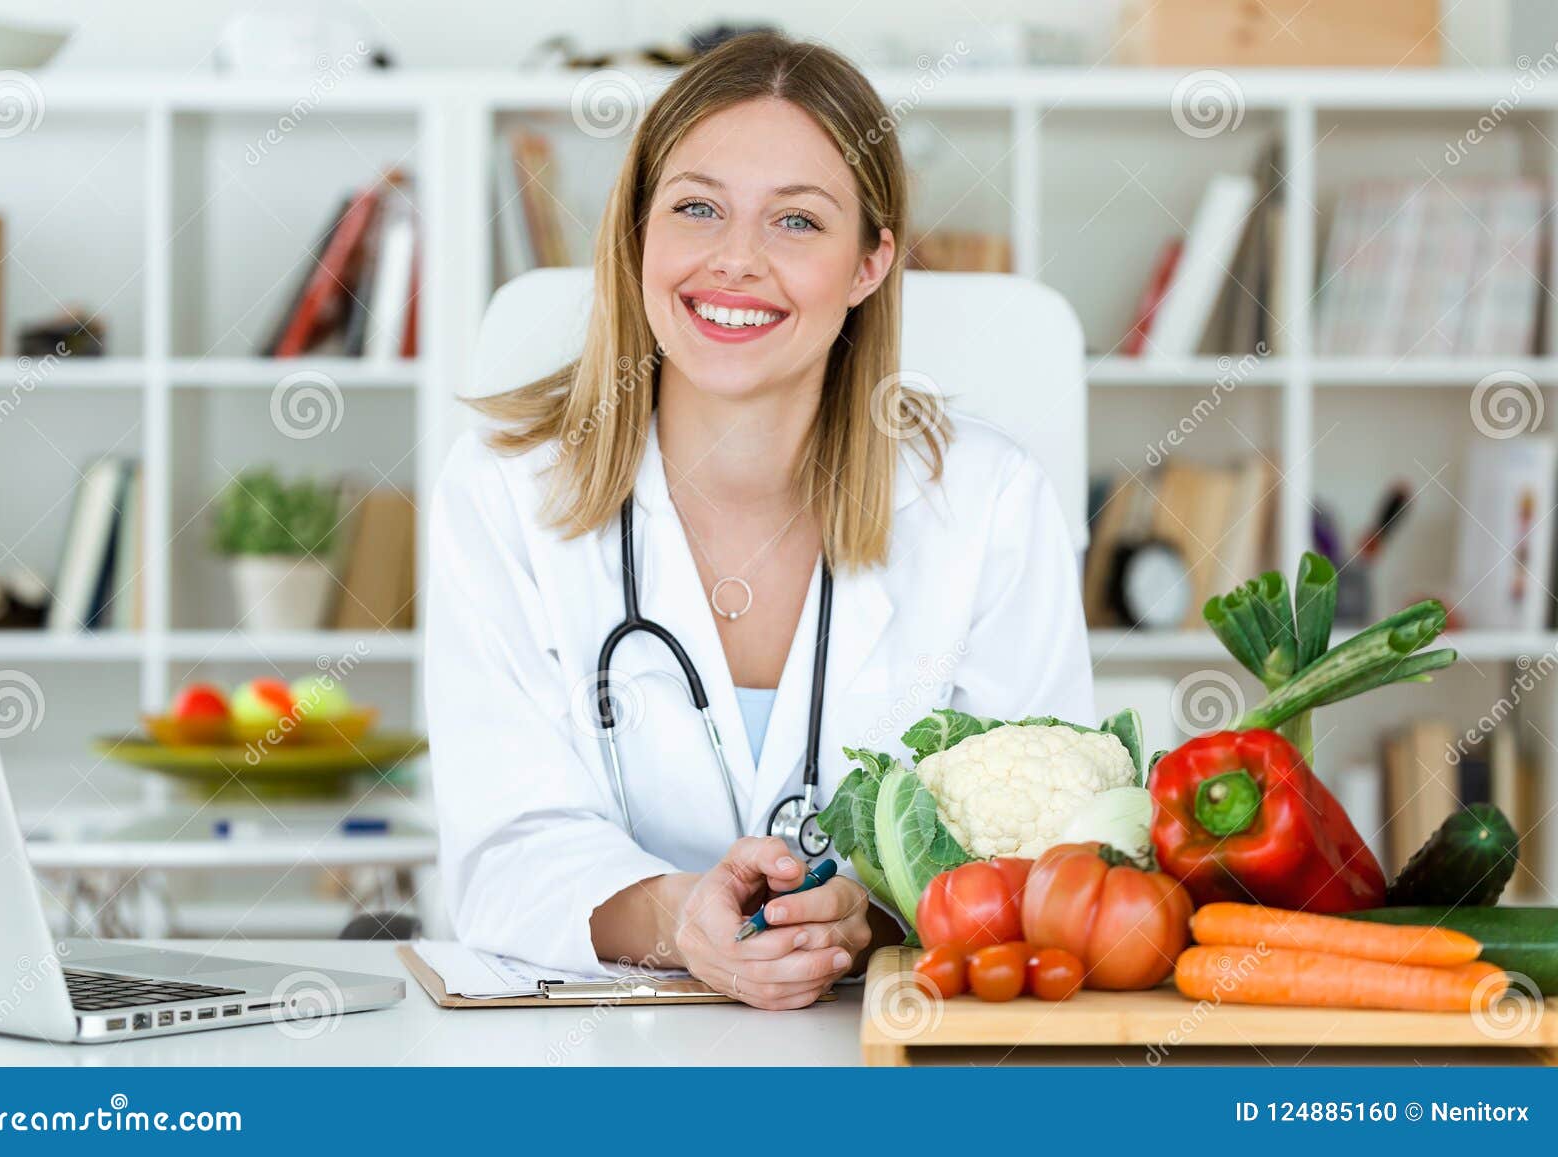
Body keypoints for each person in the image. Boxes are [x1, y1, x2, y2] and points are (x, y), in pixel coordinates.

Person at [426, 31, 1094, 1009]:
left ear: (870, 262)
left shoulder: (988, 502)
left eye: (796, 221)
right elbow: (503, 848)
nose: (735, 260)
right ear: (636, 236)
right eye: (696, 207)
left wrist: (865, 916)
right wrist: (678, 916)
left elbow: (1045, 841)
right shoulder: (505, 486)